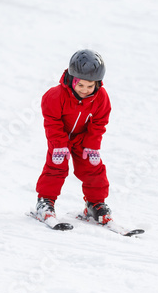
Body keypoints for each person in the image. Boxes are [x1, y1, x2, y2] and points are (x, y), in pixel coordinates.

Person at [35, 49, 113, 225]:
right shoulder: (55, 95)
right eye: (81, 85)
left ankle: (95, 204)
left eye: (90, 86)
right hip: (60, 137)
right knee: (56, 167)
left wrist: (92, 145)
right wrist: (59, 144)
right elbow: (52, 121)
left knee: (93, 169)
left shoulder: (101, 97)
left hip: (83, 138)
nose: (85, 90)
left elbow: (100, 121)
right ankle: (45, 202)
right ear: (72, 80)